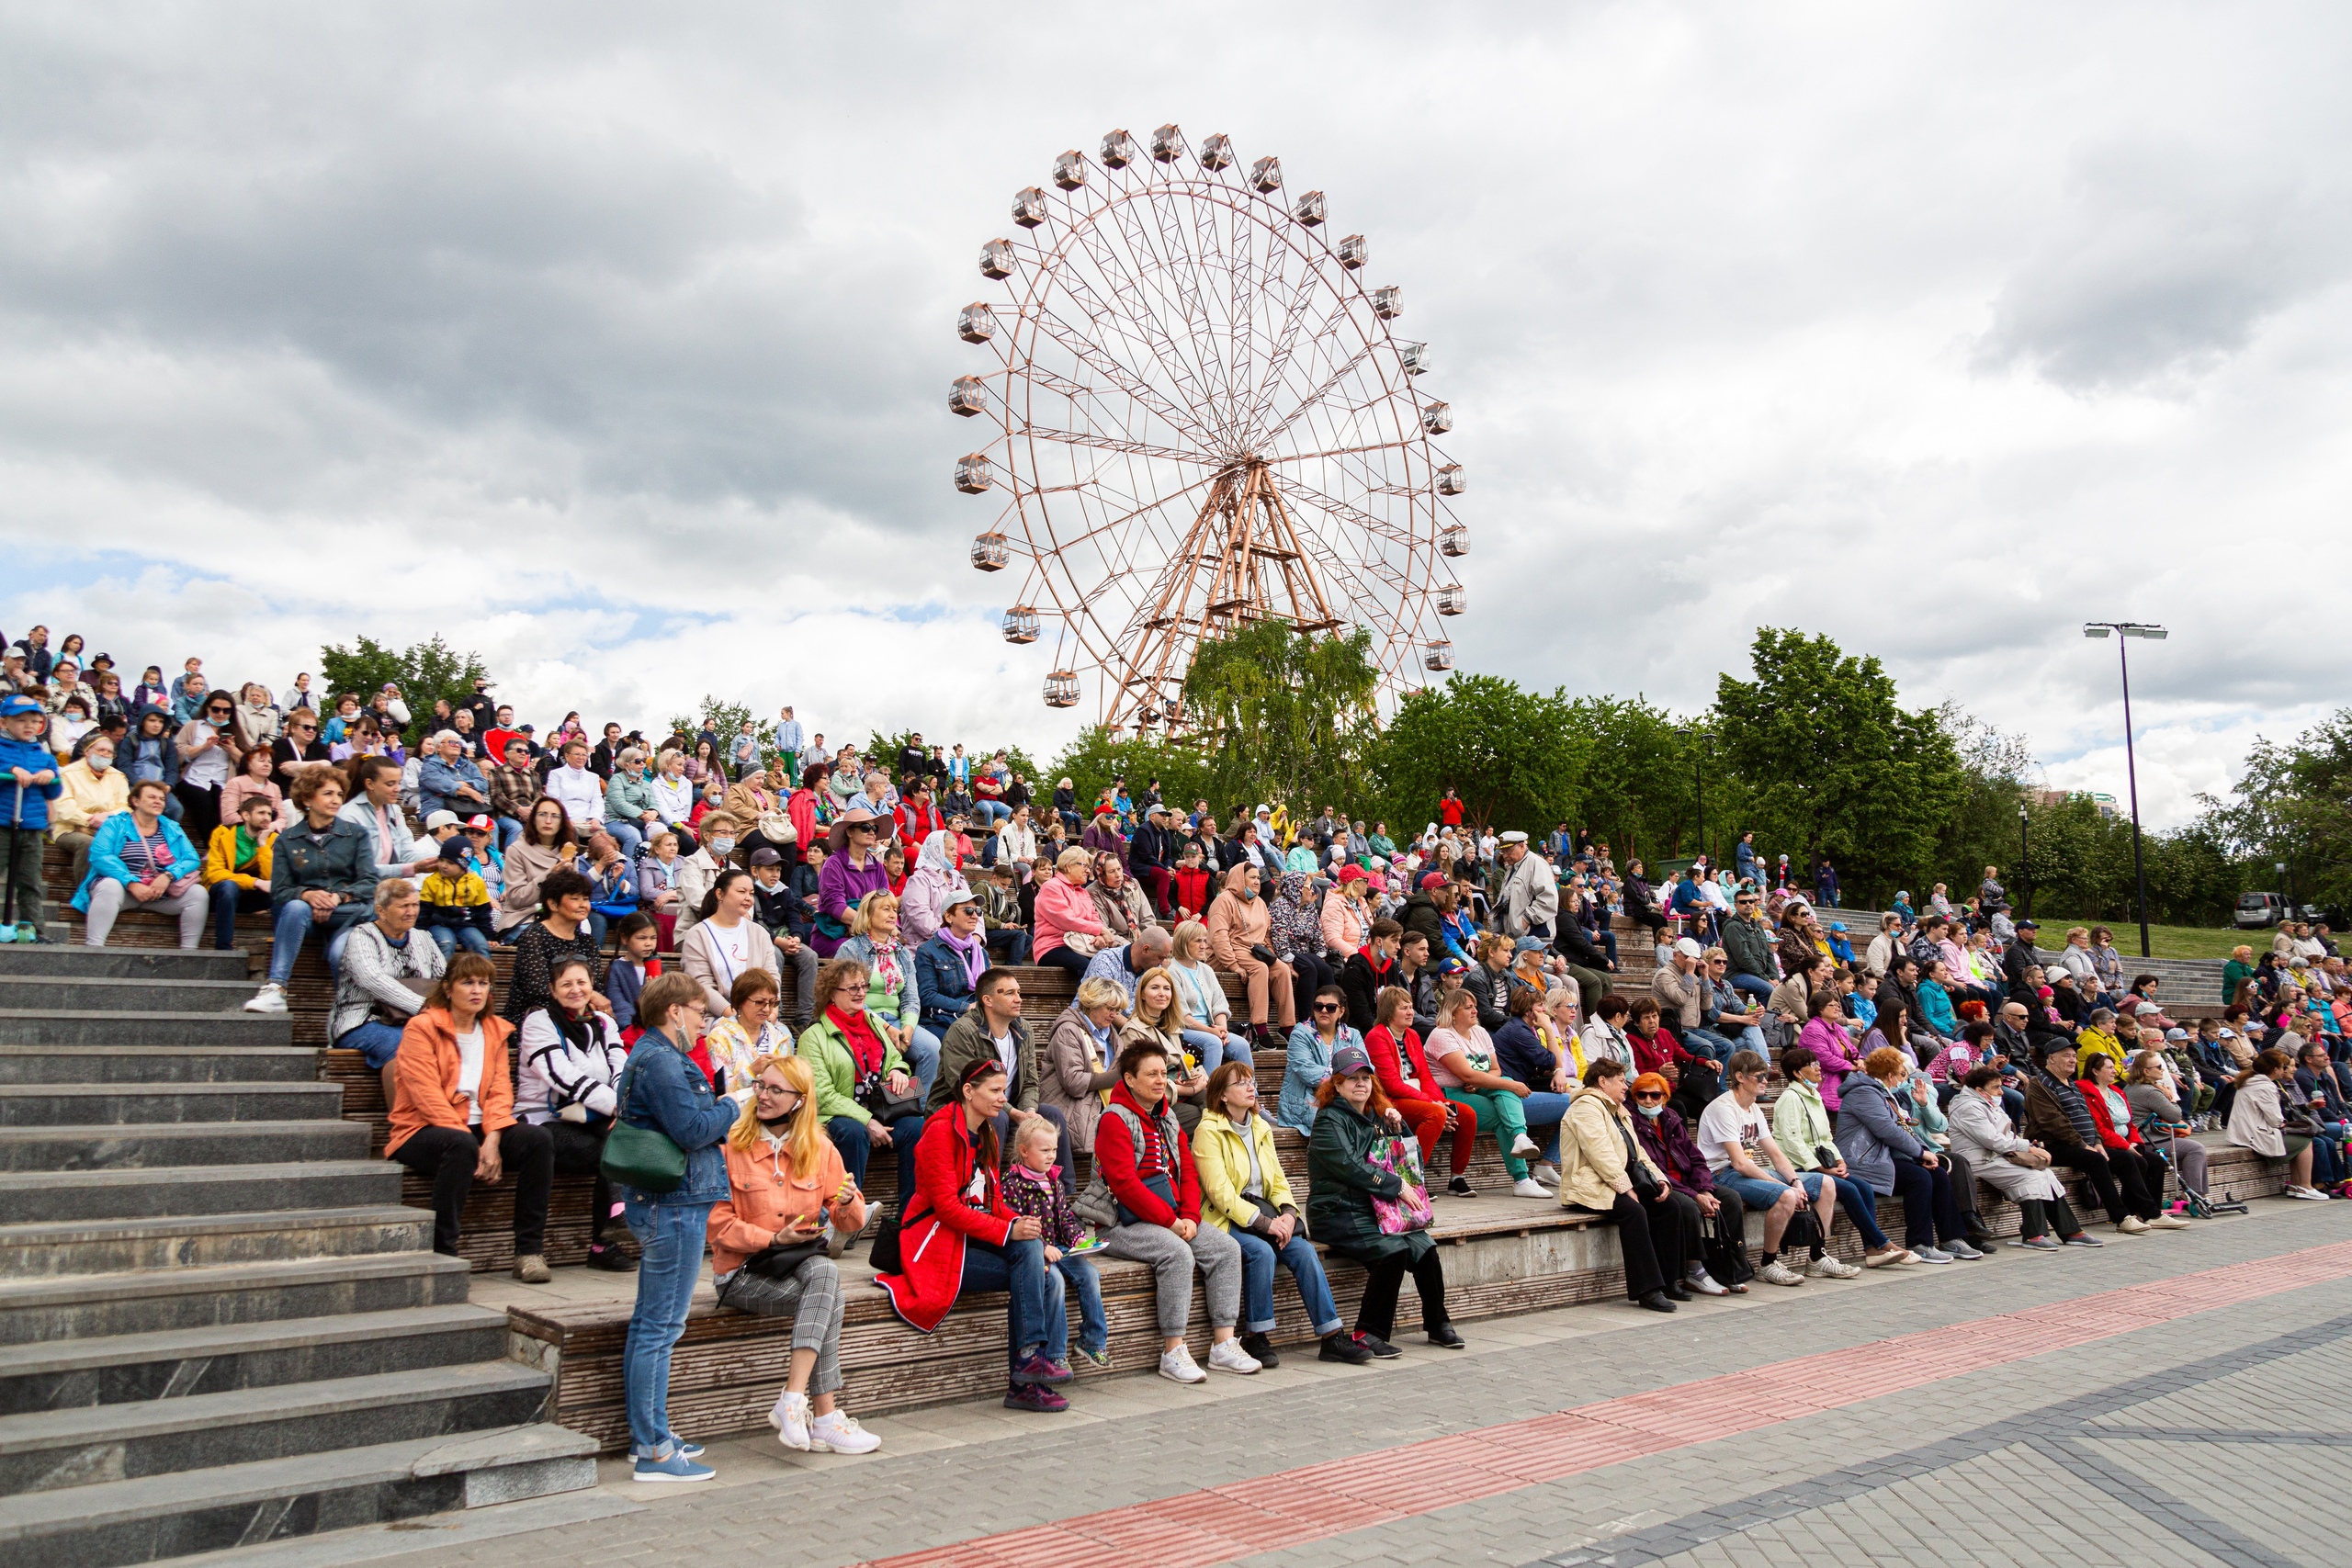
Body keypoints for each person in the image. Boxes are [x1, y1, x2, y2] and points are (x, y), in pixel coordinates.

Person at [876, 1057, 1074, 1414]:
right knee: (1031, 1272)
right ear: (968, 1091)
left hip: (967, 1239)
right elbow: (947, 1209)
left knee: (1032, 1252)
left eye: (1004, 1090)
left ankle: (1029, 1366)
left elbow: (995, 1201)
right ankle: (1026, 1377)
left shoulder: (986, 1132)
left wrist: (1025, 1228)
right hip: (934, 1243)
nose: (1003, 1098)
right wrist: (1008, 1229)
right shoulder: (939, 1131)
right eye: (995, 1090)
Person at [708, 1052, 881, 1452]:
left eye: (775, 1089)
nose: (763, 1095)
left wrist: (850, 1201)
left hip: (795, 1268)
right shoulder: (731, 1148)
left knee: (824, 1275)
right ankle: (821, 1415)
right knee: (829, 1295)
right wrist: (771, 1239)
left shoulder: (820, 1149)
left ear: (800, 1099)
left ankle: (797, 1403)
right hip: (742, 1273)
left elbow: (849, 1222)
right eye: (760, 1086)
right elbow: (715, 1226)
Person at [614, 971, 742, 1481]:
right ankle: (654, 1450)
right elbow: (691, 1131)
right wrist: (735, 1103)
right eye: (699, 1012)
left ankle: (651, 1434)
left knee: (654, 1323)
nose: (703, 1023)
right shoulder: (663, 1061)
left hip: (673, 1201)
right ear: (674, 1012)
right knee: (662, 1326)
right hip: (673, 1204)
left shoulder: (657, 1056)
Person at [1085, 1036, 1258, 1382]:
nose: (1160, 1080)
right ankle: (1173, 1351)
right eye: (1151, 1074)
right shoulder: (1114, 1119)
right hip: (1120, 1223)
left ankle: (1223, 1344)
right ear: (1129, 1079)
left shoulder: (1168, 1118)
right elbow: (1124, 1185)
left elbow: (1188, 1172)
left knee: (1226, 1248)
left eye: (1163, 1073)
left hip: (1172, 1217)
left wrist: (1191, 1217)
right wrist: (1172, 1222)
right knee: (1177, 1254)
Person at [382, 951, 558, 1281]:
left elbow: (501, 1092)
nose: (477, 990)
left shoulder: (494, 1030)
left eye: (484, 983)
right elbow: (426, 1095)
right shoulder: (422, 1027)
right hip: (421, 1129)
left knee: (538, 1139)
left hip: (480, 1129)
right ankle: (444, 1254)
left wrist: (492, 1139)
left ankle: (528, 1252)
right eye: (468, 983)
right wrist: (472, 1141)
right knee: (460, 1144)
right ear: (448, 988)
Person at [1193, 1060, 1349, 1367]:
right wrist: (1266, 1224)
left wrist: (1289, 1214)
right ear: (1222, 1095)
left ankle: (1332, 1337)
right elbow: (1220, 1193)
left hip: (1265, 1214)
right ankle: (1257, 1335)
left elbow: (1277, 1180)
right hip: (1225, 1218)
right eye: (1241, 1083)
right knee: (1260, 1252)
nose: (1251, 1087)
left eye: (1252, 1081)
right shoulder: (1208, 1131)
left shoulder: (1260, 1126)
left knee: (1304, 1250)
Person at [514, 956, 635, 1271]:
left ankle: (606, 1239)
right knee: (614, 1147)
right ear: (553, 990)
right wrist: (617, 1107)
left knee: (618, 1139)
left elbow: (619, 1065)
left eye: (581, 982)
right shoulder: (538, 1022)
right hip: (544, 1119)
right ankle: (606, 1238)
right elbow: (560, 1074)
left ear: (592, 986)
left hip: (591, 1117)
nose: (575, 990)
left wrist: (620, 1103)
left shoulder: (604, 1023)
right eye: (566, 984)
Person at [1698, 1051, 1849, 1283]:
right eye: (1760, 1076)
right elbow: (1739, 1163)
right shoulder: (1723, 1108)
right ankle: (1768, 1263)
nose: (1766, 1081)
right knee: (1787, 1196)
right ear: (1740, 1077)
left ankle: (1817, 1258)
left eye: (1766, 1076)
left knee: (1826, 1183)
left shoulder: (1754, 1108)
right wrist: (1786, 1186)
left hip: (1743, 1170)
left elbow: (1776, 1154)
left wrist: (1796, 1181)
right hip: (1720, 1175)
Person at [1556, 1056, 1690, 1314]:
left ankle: (1669, 1280)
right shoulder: (1586, 1107)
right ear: (1602, 1081)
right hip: (1590, 1184)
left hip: (1617, 1180)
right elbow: (1599, 1152)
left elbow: (1638, 1152)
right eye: (1620, 1081)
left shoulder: (1617, 1109)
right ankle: (1647, 1290)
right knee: (1634, 1211)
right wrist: (1625, 1187)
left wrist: (1659, 1179)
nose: (1625, 1086)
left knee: (1669, 1206)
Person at [240, 769, 374, 1013]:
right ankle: (276, 989)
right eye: (328, 793)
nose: (336, 799)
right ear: (308, 799)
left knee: (338, 954)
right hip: (308, 916)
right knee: (294, 905)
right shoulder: (287, 839)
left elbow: (369, 882)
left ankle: (348, 1015)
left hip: (351, 915)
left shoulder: (356, 834)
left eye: (339, 794)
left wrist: (337, 898)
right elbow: (280, 891)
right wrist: (308, 896)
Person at [800, 958, 929, 1206]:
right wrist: (867, 1120)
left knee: (916, 1128)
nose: (861, 993)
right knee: (852, 1133)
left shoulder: (872, 1023)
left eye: (863, 986)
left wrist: (899, 1071)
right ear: (831, 994)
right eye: (852, 988)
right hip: (837, 1115)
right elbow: (823, 1095)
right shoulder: (813, 1036)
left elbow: (894, 1059)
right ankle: (848, 1213)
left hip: (882, 1108)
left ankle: (909, 1213)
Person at [1769, 1045, 1912, 1267]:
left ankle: (1873, 1250)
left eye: (1818, 1063)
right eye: (1812, 1065)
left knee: (1863, 1187)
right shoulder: (1790, 1098)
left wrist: (1839, 1160)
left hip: (1820, 1166)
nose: (1818, 1068)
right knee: (1850, 1189)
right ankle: (1881, 1243)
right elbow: (1792, 1143)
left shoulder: (1813, 1095)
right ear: (1797, 1073)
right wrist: (1821, 1169)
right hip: (1797, 1169)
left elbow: (1825, 1138)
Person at [1837, 1045, 1978, 1264]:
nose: (1904, 1078)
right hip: (1861, 1162)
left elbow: (1904, 1128)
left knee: (1938, 1174)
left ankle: (1951, 1237)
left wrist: (1927, 1154)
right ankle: (1919, 1243)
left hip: (1880, 1158)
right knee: (1918, 1177)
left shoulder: (1882, 1093)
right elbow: (1887, 1129)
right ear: (1890, 1075)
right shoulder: (1863, 1093)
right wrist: (1920, 1153)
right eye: (1903, 1074)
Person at [1000, 1113, 1110, 1371]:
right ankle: (1055, 1354)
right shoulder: (1012, 1184)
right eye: (1045, 1150)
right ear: (1024, 1151)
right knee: (1056, 1282)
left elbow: (1065, 1219)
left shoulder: (1054, 1181)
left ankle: (1093, 1342)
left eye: (1054, 1150)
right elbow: (1015, 1224)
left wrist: (1080, 1239)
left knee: (1090, 1275)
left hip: (1060, 1247)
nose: (1051, 1156)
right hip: (1034, 1252)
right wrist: (1042, 1247)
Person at [2024, 1038, 2169, 1231]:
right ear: (2051, 1058)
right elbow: (2052, 1122)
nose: (2072, 1060)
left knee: (2128, 1159)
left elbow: (2088, 1117)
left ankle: (2151, 1214)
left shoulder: (2071, 1083)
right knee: (2096, 1159)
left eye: (2074, 1056)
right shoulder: (2040, 1084)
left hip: (2081, 1143)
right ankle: (2121, 1217)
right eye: (2066, 1055)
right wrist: (2083, 1145)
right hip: (2052, 1144)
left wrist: (2098, 1141)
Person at [332, 877, 446, 1108]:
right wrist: (422, 1006)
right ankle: (403, 1125)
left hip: (417, 1020)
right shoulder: (362, 936)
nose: (411, 911)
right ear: (381, 910)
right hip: (363, 1019)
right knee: (406, 1043)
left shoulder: (424, 937)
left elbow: (444, 978)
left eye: (415, 905)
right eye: (403, 906)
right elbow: (372, 979)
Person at [1624, 1072, 1740, 1296]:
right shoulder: (1632, 1122)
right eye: (1642, 1095)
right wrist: (1696, 1196)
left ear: (1665, 1098)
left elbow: (1696, 1158)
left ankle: (1729, 1267)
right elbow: (1653, 1168)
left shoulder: (1671, 1118)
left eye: (1655, 1095)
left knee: (1731, 1199)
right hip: (1660, 1183)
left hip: (1688, 1182)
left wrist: (1704, 1189)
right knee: (1687, 1206)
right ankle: (1694, 1270)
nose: (1648, 1101)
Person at [1427, 986, 1548, 1197]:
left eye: (1475, 1006)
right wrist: (1511, 1085)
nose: (1475, 1011)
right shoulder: (1441, 1035)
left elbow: (1495, 1069)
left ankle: (1521, 1138)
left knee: (1505, 1083)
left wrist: (1486, 1083)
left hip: (1479, 1088)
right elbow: (1467, 1075)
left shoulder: (1480, 1032)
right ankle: (1521, 1178)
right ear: (1453, 1013)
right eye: (1468, 1007)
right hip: (1448, 1093)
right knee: (1504, 1105)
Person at [837, 889, 941, 1101]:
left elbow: (911, 998)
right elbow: (847, 999)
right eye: (886, 909)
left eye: (895, 909)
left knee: (932, 1048)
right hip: (861, 1021)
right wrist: (885, 1029)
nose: (893, 914)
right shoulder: (850, 949)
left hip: (897, 1021)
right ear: (868, 914)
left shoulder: (901, 952)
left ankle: (918, 1109)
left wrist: (908, 1030)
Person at [2075, 1049, 2193, 1231]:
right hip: (2104, 1144)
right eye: (2109, 1068)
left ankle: (2151, 1212)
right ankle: (2148, 1213)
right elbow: (2099, 1128)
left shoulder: (2116, 1091)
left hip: (2126, 1142)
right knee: (2134, 1160)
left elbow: (2130, 1123)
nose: (2114, 1071)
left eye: (2114, 1066)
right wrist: (2126, 1146)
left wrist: (2135, 1142)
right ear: (2095, 1071)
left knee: (2155, 1162)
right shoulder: (2087, 1092)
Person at [679, 868, 781, 1051]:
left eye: (751, 893)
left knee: (784, 1040)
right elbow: (701, 985)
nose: (748, 898)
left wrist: (772, 1010)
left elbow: (772, 976)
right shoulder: (698, 934)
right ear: (720, 894)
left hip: (761, 1016)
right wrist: (735, 1016)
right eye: (741, 892)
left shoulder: (759, 933)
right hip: (718, 1019)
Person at [1039, 975, 1124, 1166]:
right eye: (1110, 1009)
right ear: (1092, 1003)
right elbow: (1074, 1081)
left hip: (1100, 1108)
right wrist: (1121, 1076)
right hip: (1070, 1108)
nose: (1114, 1015)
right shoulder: (1068, 1030)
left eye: (1118, 1010)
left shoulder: (1111, 1034)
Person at [1206, 862, 1295, 1043]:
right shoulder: (1224, 900)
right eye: (1252, 878)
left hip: (1255, 950)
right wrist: (1234, 966)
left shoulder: (1260, 903)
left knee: (1281, 970)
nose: (1257, 882)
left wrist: (1271, 955)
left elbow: (1267, 935)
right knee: (1260, 968)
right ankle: (1260, 1027)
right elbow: (1219, 937)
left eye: (1258, 878)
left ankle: (1287, 1026)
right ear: (1240, 879)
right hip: (1227, 951)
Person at [503, 868, 607, 1023]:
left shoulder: (587, 942)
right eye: (575, 899)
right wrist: (589, 995)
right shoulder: (534, 936)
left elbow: (595, 984)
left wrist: (591, 997)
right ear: (553, 904)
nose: (583, 905)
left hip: (578, 1015)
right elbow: (538, 990)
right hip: (537, 1018)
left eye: (585, 899)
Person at [2227, 1048, 2328, 1200]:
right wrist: (2285, 1124)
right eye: (2283, 1067)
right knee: (2306, 1139)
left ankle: (2296, 1185)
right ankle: (2305, 1186)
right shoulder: (2265, 1087)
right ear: (2275, 1069)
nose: (2285, 1070)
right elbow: (2275, 1120)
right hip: (2254, 1135)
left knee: (2299, 1138)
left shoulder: (2251, 1082)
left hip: (2246, 1132)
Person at [700, 968, 796, 1105]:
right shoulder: (719, 1037)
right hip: (736, 1117)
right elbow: (719, 1090)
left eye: (772, 1002)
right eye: (759, 1002)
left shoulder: (781, 1037)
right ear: (740, 1001)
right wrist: (751, 1072)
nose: (767, 1009)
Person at [47, 729, 128, 889]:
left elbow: (126, 806)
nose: (105, 754)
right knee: (88, 843)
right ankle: (85, 892)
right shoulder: (67, 773)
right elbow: (65, 808)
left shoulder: (118, 776)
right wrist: (91, 821)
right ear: (87, 752)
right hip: (70, 829)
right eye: (101, 750)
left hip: (109, 827)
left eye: (109, 752)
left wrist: (109, 816)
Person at [201, 790, 279, 951]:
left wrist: (263, 845)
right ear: (246, 815)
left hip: (249, 896)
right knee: (229, 886)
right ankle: (224, 948)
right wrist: (255, 882)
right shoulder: (223, 833)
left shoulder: (273, 839)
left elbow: (272, 878)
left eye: (269, 814)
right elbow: (215, 873)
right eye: (261, 813)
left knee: (283, 892)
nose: (266, 817)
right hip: (220, 894)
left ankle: (279, 947)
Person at [813, 807, 889, 958]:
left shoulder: (878, 867)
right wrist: (870, 926)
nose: (872, 832)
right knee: (862, 951)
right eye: (865, 827)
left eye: (874, 828)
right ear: (849, 832)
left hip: (869, 933)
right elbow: (834, 905)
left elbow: (885, 902)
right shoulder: (833, 864)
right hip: (834, 934)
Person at [1030, 845, 1107, 981]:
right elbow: (1066, 920)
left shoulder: (1082, 891)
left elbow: (1095, 917)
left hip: (1082, 945)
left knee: (1109, 964)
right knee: (1088, 968)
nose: (1088, 871)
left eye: (1089, 867)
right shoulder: (1051, 887)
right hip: (1053, 946)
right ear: (1068, 866)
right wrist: (1099, 930)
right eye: (1084, 865)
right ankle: (1079, 1003)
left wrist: (1101, 936)